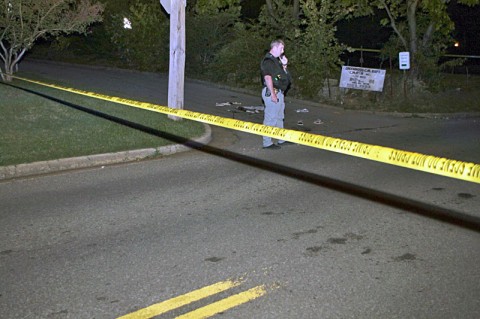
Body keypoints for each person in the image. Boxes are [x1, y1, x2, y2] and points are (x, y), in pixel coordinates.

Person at [260, 39, 292, 149]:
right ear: (275, 47)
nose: (283, 51)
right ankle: (267, 142)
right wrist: (273, 94)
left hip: (279, 92)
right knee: (271, 118)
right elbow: (268, 77)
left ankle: (281, 139)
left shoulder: (276, 61)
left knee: (279, 117)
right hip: (272, 92)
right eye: (281, 48)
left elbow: (279, 76)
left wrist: (284, 65)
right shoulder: (268, 61)